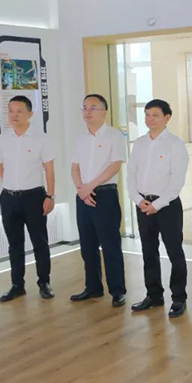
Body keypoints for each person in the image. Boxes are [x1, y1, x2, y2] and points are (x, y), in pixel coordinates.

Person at [127, 99, 190, 318]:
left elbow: (177, 180)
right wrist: (138, 200)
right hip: (143, 205)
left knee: (174, 252)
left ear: (167, 117)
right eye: (147, 115)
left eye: (155, 115)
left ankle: (179, 298)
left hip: (167, 206)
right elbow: (131, 175)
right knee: (148, 251)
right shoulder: (140, 143)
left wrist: (157, 204)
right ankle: (153, 295)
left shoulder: (175, 144)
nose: (150, 119)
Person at [0, 95, 56, 302]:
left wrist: (50, 195)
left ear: (30, 113)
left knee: (40, 242)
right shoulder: (3, 139)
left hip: (34, 197)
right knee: (14, 244)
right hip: (9, 198)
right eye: (10, 111)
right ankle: (17, 285)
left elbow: (49, 169)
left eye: (19, 111)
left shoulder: (41, 138)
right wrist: (10, 181)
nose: (14, 115)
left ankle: (44, 282)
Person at [70, 94, 128, 307]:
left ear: (104, 111)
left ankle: (117, 290)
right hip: (83, 196)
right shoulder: (80, 139)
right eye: (85, 107)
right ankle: (93, 287)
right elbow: (75, 167)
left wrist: (90, 186)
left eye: (93, 107)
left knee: (110, 244)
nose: (87, 111)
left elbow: (115, 166)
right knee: (87, 245)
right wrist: (81, 188)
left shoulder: (114, 136)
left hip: (104, 195)